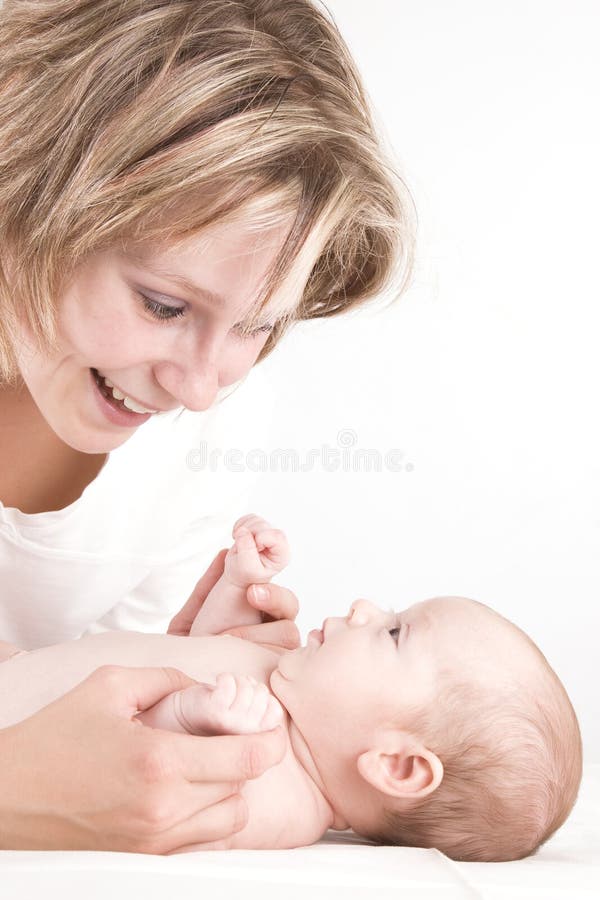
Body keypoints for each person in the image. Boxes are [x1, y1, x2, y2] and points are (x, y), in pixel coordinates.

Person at [0, 0, 416, 852]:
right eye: (163, 304)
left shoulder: (209, 429)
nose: (200, 388)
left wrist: (174, 678)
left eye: (258, 325)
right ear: (24, 190)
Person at [0, 514, 583, 861]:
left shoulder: (282, 801)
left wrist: (186, 716)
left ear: (397, 767)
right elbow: (195, 652)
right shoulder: (278, 699)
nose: (364, 607)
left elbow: (138, 793)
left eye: (395, 632)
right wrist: (239, 585)